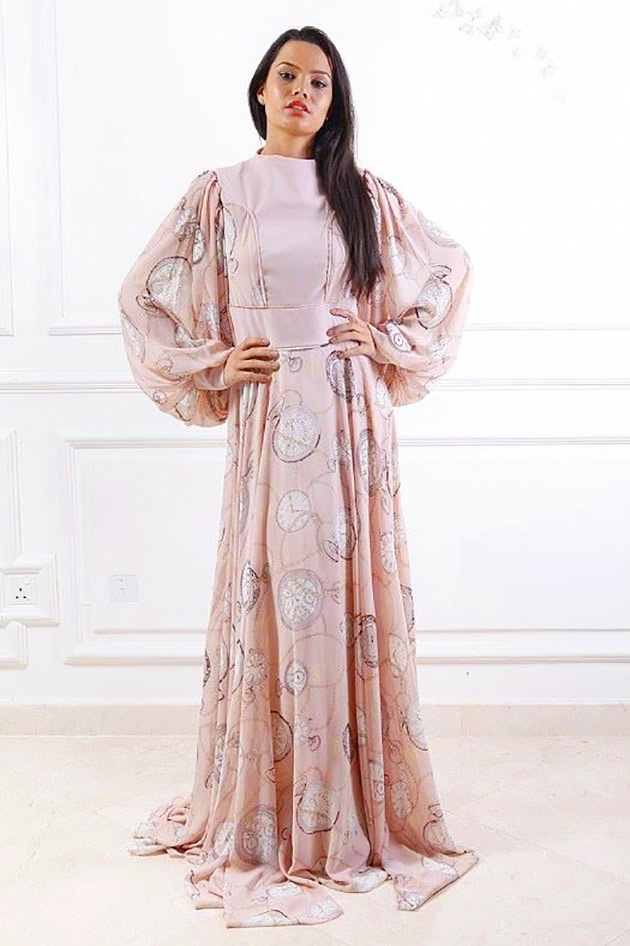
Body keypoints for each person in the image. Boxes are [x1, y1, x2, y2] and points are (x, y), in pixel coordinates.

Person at [118, 24, 479, 930]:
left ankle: (345, 808)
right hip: (271, 417)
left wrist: (382, 338)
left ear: (333, 101)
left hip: (351, 420)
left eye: (320, 83)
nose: (302, 92)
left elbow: (450, 265)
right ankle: (273, 808)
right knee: (276, 592)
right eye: (288, 75)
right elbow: (142, 293)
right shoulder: (221, 193)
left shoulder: (362, 193)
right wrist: (216, 359)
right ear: (261, 88)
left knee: (344, 595)